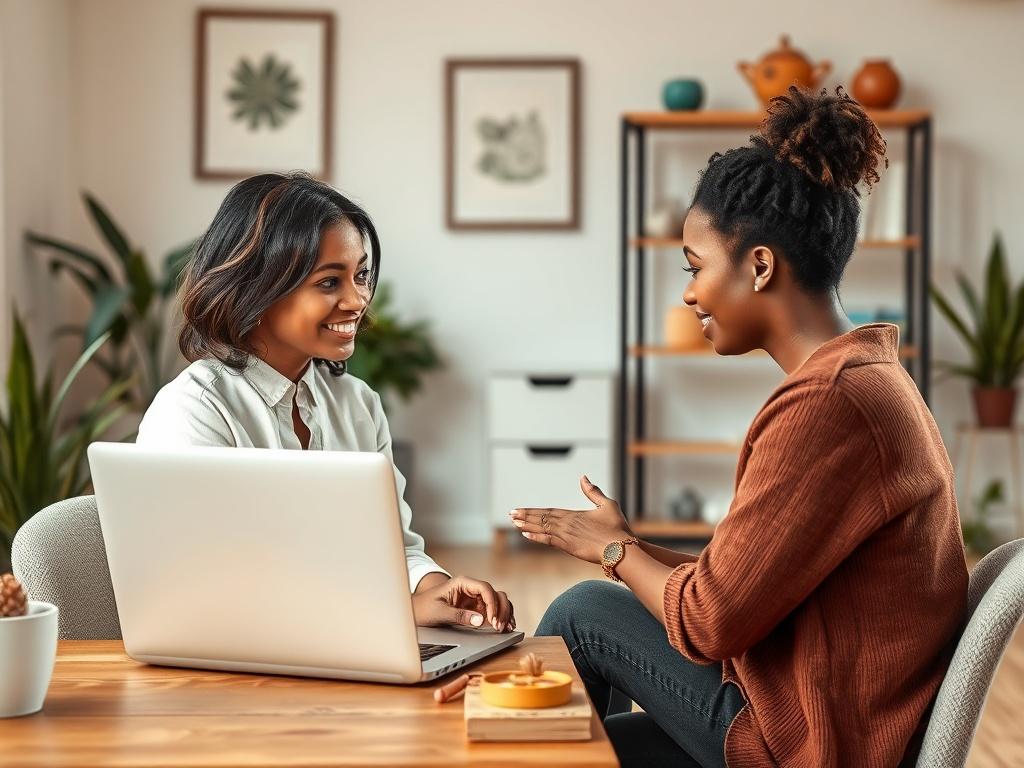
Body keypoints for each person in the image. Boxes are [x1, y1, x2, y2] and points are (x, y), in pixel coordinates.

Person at [511, 87, 967, 767]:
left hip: (812, 740)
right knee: (592, 745)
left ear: (759, 265)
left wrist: (612, 555)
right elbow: (738, 584)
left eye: (695, 267)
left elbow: (710, 620)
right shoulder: (863, 378)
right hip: (812, 710)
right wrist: (629, 543)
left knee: (582, 611)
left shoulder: (830, 404)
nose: (690, 293)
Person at [137, 172, 515, 633]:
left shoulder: (357, 403)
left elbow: (396, 548)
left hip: (341, 644)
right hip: (237, 664)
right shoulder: (192, 413)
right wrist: (389, 613)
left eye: (360, 276)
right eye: (329, 282)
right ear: (259, 288)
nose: (358, 300)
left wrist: (435, 586)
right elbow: (218, 591)